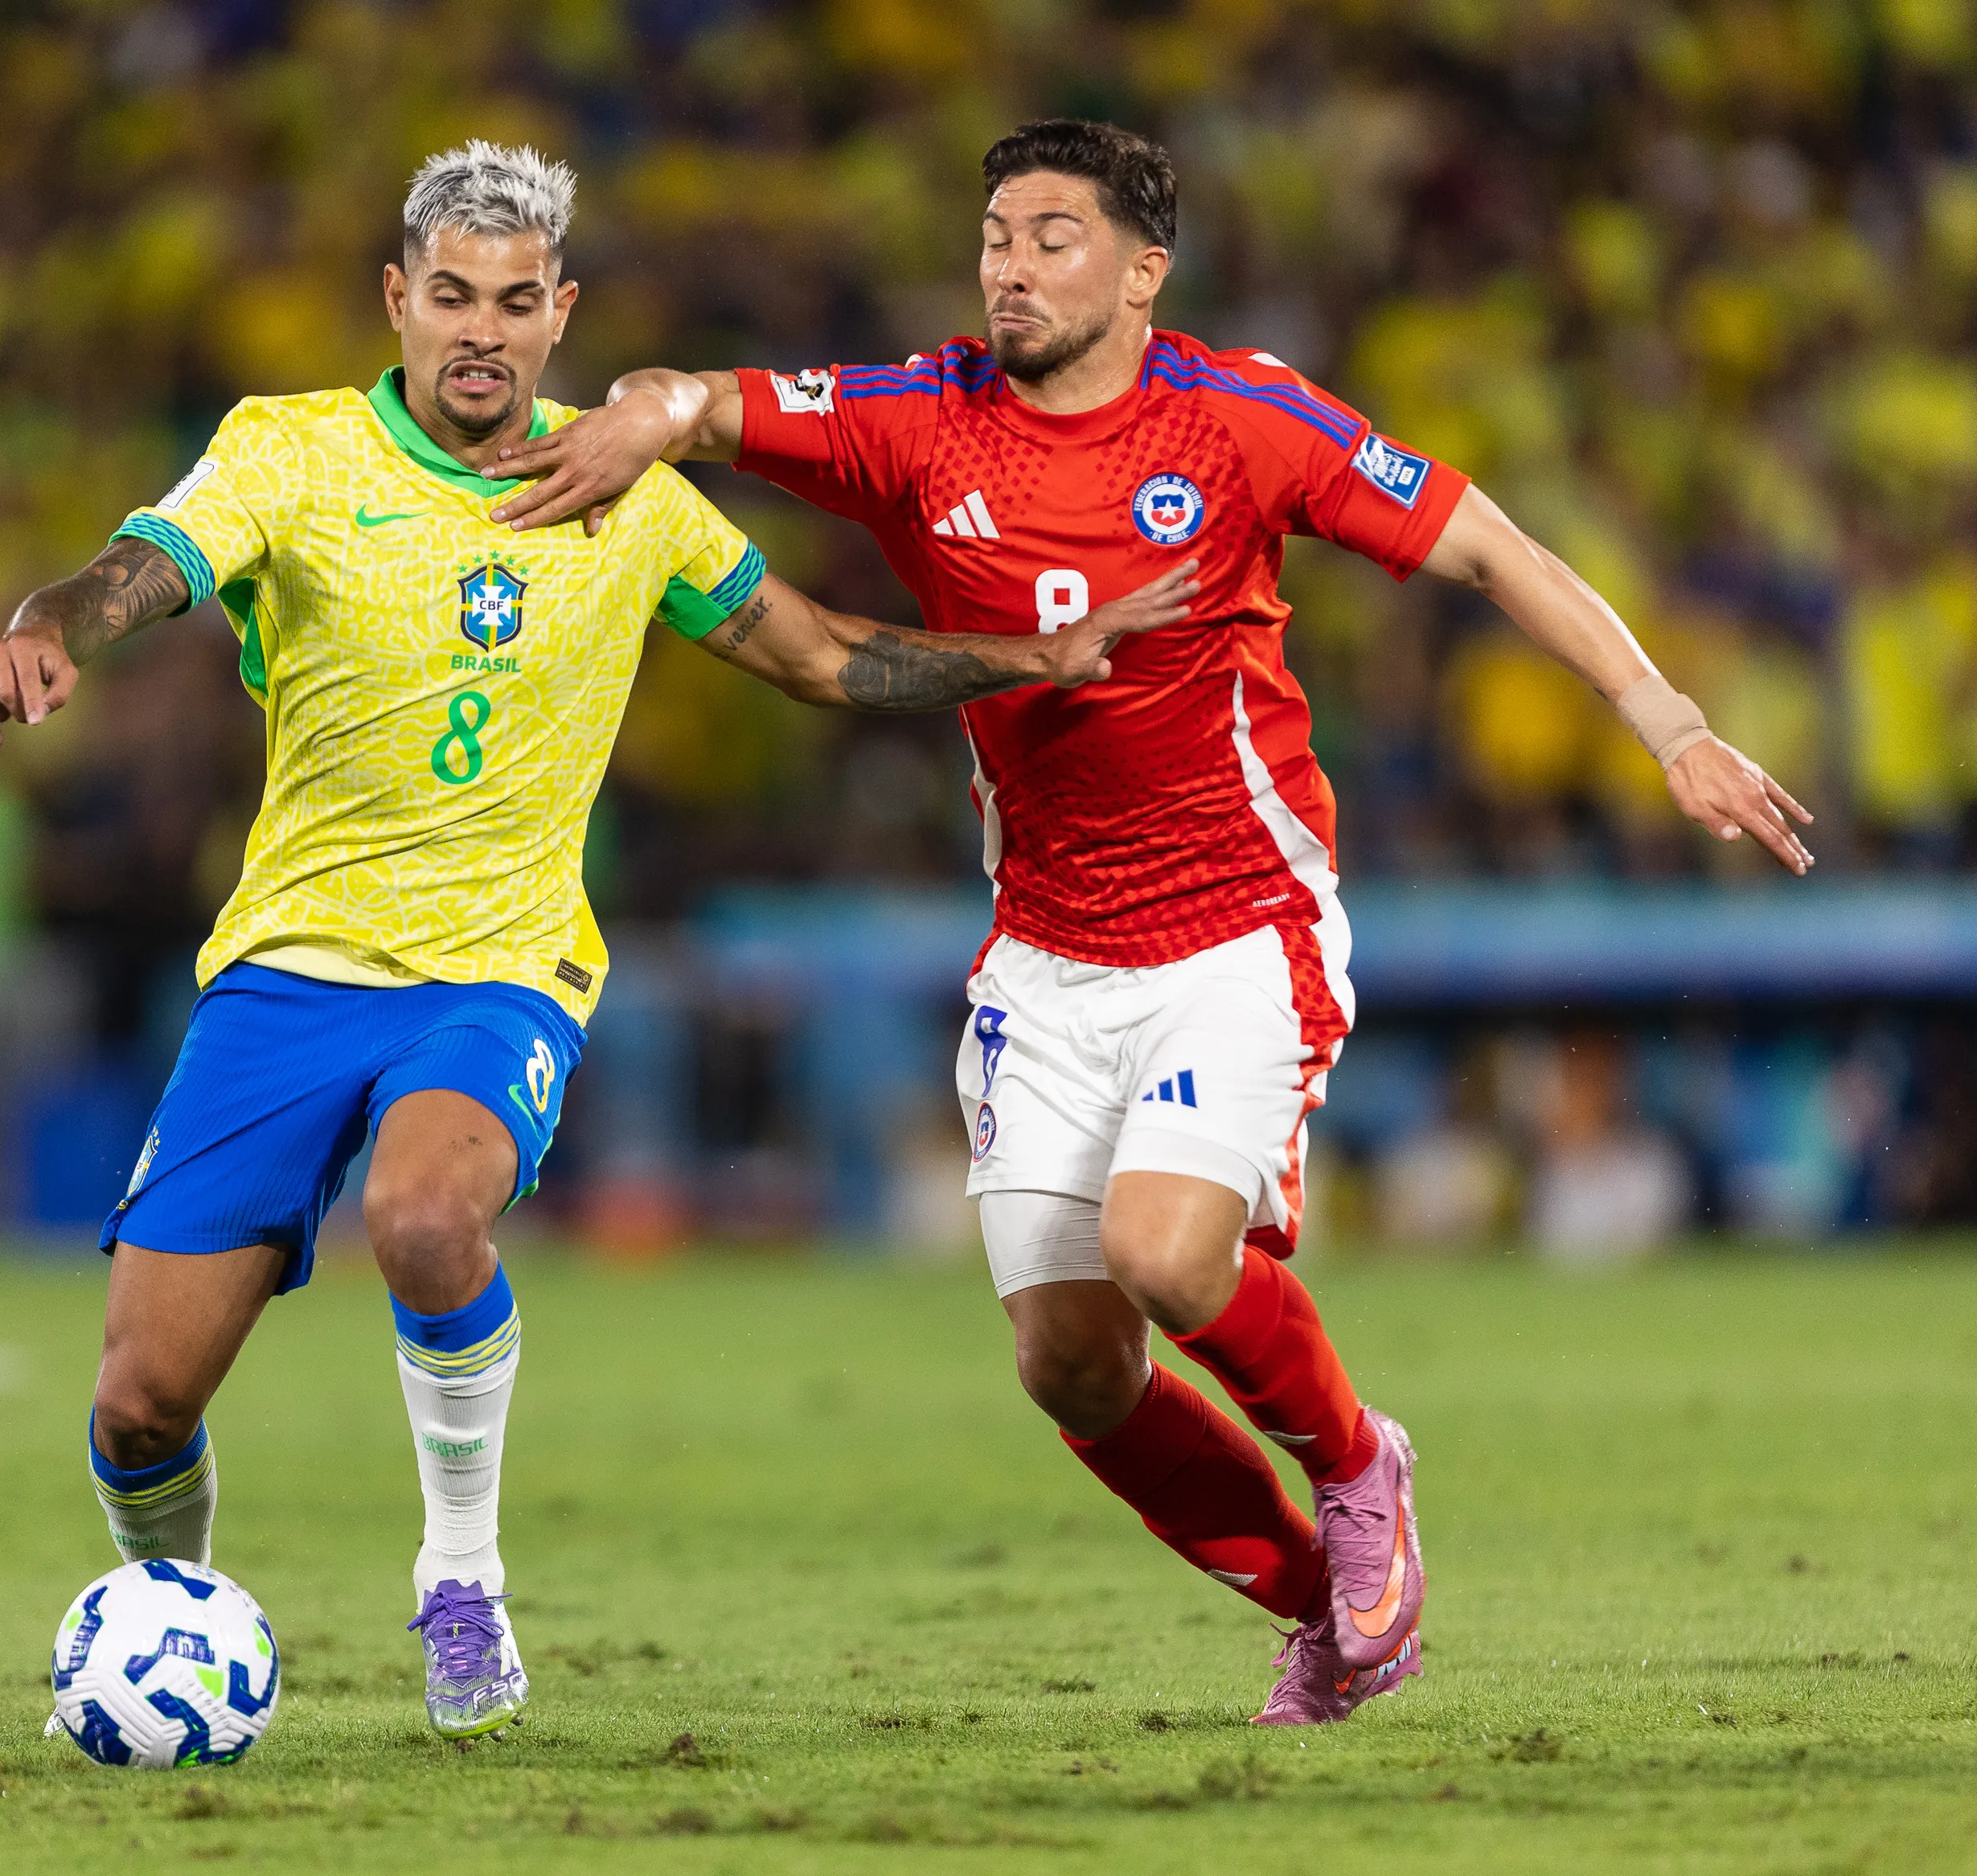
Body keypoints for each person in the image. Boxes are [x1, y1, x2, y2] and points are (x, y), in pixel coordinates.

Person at [489, 117, 1812, 1725]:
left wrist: (1667, 719)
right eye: (994, 232)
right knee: (1069, 1358)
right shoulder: (915, 421)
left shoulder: (1240, 418)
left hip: (1236, 928)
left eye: (1052, 235)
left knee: (1163, 1249)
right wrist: (639, 417)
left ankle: (1356, 1460)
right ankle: (1323, 1604)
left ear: (1141, 270)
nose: (1009, 263)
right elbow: (698, 399)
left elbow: (1481, 543)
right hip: (1046, 953)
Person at [0, 140, 1192, 1746]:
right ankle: (167, 1616)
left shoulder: (629, 494)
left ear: (563, 315)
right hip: (289, 967)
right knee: (140, 1400)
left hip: (498, 966)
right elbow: (146, 567)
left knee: (423, 1212)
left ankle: (459, 1578)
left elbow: (819, 655)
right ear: (396, 301)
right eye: (451, 297)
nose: (481, 330)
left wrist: (1039, 652)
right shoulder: (291, 454)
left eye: (517, 301)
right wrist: (52, 624)